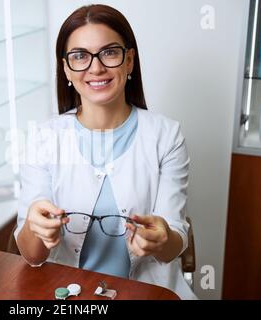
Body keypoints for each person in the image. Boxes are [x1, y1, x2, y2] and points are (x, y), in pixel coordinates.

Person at [14, 4, 197, 300]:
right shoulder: (44, 137)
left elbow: (173, 245)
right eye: (80, 56)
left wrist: (162, 237)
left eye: (109, 52)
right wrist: (39, 229)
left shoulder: (166, 135)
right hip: (71, 294)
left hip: (148, 292)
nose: (95, 68)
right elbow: (32, 256)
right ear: (66, 69)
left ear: (129, 61)